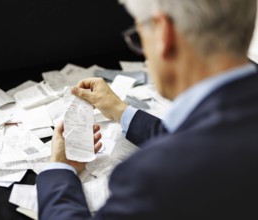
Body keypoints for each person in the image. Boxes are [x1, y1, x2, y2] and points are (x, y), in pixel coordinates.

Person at [36, 0, 258, 219]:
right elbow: (208, 136)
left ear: (164, 33)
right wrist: (121, 112)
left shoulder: (152, 176)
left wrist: (59, 169)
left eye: (139, 35)